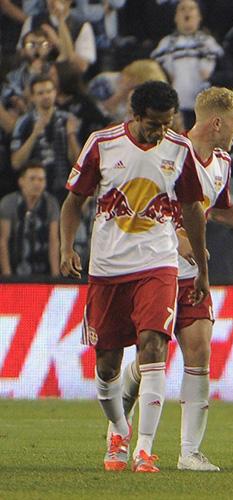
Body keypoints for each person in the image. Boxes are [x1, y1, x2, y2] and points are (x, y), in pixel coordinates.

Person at [114, 87, 233, 472]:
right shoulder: (166, 150)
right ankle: (126, 395)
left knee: (199, 350)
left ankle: (189, 452)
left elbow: (221, 210)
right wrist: (175, 238)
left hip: (193, 275)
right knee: (150, 355)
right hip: (152, 268)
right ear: (217, 122)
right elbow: (137, 201)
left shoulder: (222, 162)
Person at [59, 80, 210, 473]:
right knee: (107, 365)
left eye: (167, 123)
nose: (160, 131)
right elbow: (73, 202)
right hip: (108, 268)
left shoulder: (179, 150)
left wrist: (202, 270)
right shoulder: (102, 144)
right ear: (135, 115)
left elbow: (193, 209)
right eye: (153, 124)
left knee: (153, 346)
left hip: (158, 263)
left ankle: (144, 448)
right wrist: (65, 248)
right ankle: (119, 430)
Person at [150, 0, 224, 129]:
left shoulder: (210, 44)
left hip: (203, 110)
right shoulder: (165, 44)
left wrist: (211, 78)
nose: (187, 12)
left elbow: (228, 74)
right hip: (174, 110)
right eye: (182, 9)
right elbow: (152, 73)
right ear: (175, 17)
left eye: (191, 8)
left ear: (199, 17)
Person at [11, 75, 80, 199]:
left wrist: (71, 136)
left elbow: (79, 163)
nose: (46, 96)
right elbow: (16, 163)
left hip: (65, 188)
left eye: (49, 91)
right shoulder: (24, 123)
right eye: (40, 93)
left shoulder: (67, 119)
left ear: (55, 93)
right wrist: (34, 134)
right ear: (32, 97)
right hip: (34, 191)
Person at [0, 163, 59, 276]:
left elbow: (53, 240)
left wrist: (55, 275)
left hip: (42, 269)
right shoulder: (8, 203)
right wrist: (7, 274)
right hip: (15, 268)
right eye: (32, 179)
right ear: (21, 181)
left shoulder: (51, 203)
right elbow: (3, 240)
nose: (37, 183)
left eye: (41, 179)